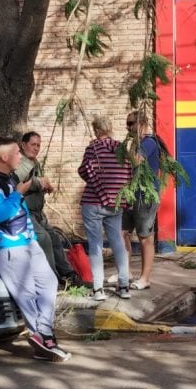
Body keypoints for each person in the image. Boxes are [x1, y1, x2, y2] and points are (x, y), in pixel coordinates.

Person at [0, 136, 71, 362]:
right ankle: (43, 338)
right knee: (26, 293)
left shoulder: (4, 177)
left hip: (26, 241)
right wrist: (19, 192)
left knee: (48, 281)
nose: (21, 155)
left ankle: (43, 334)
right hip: (7, 246)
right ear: (4, 157)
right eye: (17, 152)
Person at [16, 131, 87, 287]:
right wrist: (41, 183)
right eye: (33, 144)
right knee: (44, 239)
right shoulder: (20, 161)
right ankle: (51, 281)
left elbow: (38, 182)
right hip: (24, 213)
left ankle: (68, 275)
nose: (36, 148)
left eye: (38, 145)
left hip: (38, 213)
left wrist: (45, 186)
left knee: (54, 238)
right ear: (23, 144)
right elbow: (21, 182)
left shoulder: (35, 162)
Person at [78, 115, 132, 301]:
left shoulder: (93, 147)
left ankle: (98, 289)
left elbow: (84, 170)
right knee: (117, 242)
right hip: (116, 203)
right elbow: (129, 173)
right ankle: (124, 286)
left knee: (95, 244)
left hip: (93, 202)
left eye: (95, 130)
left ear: (98, 130)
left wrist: (99, 189)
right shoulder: (122, 149)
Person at [121, 111, 164, 290]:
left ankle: (145, 278)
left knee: (145, 237)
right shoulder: (137, 143)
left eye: (131, 124)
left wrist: (119, 157)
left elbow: (136, 161)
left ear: (141, 124)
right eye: (127, 124)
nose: (128, 128)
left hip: (146, 196)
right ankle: (127, 272)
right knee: (122, 233)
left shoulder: (148, 143)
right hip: (132, 195)